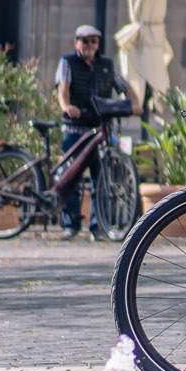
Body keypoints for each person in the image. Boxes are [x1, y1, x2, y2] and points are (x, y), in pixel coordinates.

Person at [54, 25, 134, 239]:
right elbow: (63, 88)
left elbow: (124, 87)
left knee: (102, 176)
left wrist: (134, 103)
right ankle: (70, 226)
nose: (90, 45)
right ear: (76, 42)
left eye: (94, 41)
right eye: (85, 40)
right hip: (75, 128)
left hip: (99, 129)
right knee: (72, 177)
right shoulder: (68, 62)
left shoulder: (107, 65)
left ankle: (97, 227)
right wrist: (66, 105)